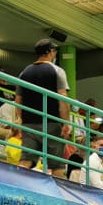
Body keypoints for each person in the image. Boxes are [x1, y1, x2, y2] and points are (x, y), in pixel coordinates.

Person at [18, 39, 72, 176]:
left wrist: (20, 120)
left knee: (26, 160)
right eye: (54, 50)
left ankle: (17, 183)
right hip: (51, 123)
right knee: (57, 165)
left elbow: (18, 100)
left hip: (29, 123)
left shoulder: (24, 72)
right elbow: (63, 98)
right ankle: (58, 190)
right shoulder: (57, 71)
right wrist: (66, 122)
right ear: (50, 51)